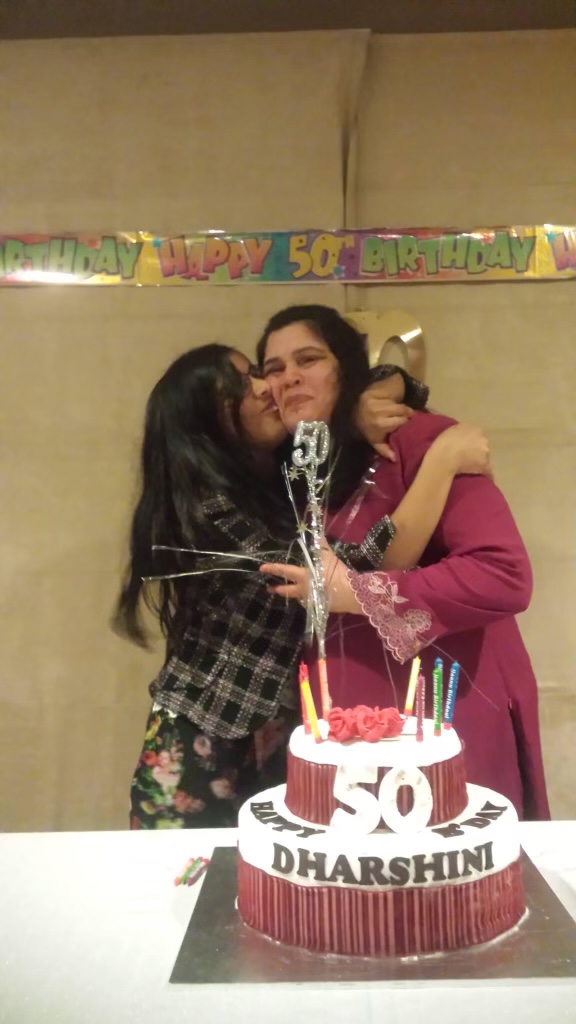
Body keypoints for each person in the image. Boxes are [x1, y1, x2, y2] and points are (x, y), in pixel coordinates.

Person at [114, 342, 491, 829]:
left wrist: (363, 402)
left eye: (255, 372)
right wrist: (442, 461)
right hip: (202, 738)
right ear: (204, 421)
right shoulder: (207, 510)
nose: (265, 387)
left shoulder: (275, 478)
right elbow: (339, 572)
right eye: (241, 385)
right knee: (186, 886)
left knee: (282, 889)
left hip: (278, 733)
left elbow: (403, 383)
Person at [258, 304, 550, 821]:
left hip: (445, 715)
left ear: (347, 369)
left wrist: (357, 595)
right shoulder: (292, 470)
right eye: (274, 367)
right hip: (340, 736)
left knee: (452, 885)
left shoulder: (418, 441)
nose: (289, 377)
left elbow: (502, 575)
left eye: (308, 359)